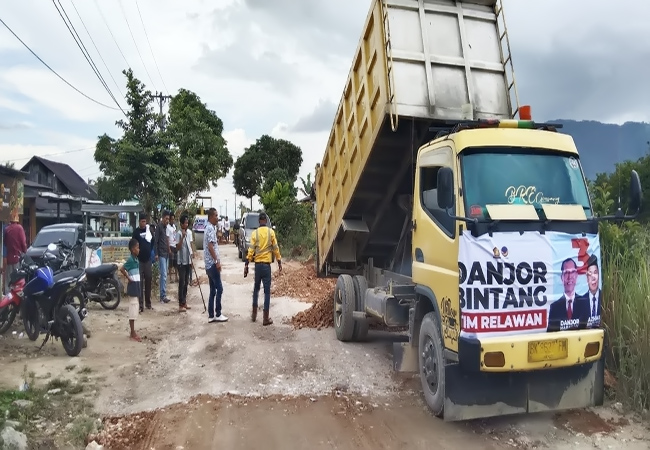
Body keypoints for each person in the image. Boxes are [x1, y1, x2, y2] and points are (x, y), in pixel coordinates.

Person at [244, 212, 282, 326]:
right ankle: (265, 318)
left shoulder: (255, 234)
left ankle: (254, 314)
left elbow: (251, 250)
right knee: (266, 292)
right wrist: (279, 261)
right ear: (266, 221)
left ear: (259, 221)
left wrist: (246, 263)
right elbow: (275, 248)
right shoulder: (271, 233)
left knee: (256, 289)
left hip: (257, 266)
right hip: (266, 266)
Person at [547, 257, 589, 331]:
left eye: (572, 272)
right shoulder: (554, 308)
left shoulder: (585, 303)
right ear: (562, 277)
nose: (569, 277)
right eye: (566, 273)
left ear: (576, 275)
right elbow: (551, 334)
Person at [205, 207, 227, 323]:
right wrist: (217, 261)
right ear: (211, 217)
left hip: (209, 265)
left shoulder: (210, 228)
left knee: (213, 290)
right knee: (220, 288)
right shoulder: (210, 229)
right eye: (216, 215)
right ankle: (218, 313)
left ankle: (211, 315)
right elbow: (210, 246)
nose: (217, 218)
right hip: (212, 264)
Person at [120, 238, 142, 342]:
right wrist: (128, 278)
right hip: (132, 286)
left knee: (135, 307)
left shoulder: (136, 260)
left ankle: (133, 331)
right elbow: (122, 269)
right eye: (137, 247)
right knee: (133, 308)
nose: (139, 249)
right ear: (133, 249)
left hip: (136, 285)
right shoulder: (130, 260)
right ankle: (132, 332)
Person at [132, 215, 154, 311]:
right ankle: (140, 305)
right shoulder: (136, 232)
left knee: (148, 281)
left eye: (145, 221)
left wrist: (150, 251)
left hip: (148, 260)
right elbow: (132, 245)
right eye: (142, 221)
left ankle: (148, 303)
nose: (144, 223)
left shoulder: (149, 231)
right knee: (140, 283)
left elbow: (152, 242)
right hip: (139, 261)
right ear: (139, 222)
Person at [175, 215, 195, 312]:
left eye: (187, 223)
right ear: (181, 224)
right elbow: (177, 247)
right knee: (181, 282)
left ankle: (184, 301)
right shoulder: (178, 234)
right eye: (185, 223)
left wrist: (192, 254)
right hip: (181, 261)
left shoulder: (190, 233)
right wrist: (182, 237)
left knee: (186, 282)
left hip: (188, 260)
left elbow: (190, 245)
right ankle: (180, 304)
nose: (186, 225)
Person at [3, 214, 26, 294]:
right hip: (18, 257)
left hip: (9, 258)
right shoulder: (19, 228)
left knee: (9, 279)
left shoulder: (6, 229)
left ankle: (8, 296)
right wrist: (25, 252)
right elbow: (23, 243)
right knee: (18, 279)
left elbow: (5, 243)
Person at [154, 211, 171, 304]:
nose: (167, 221)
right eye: (166, 219)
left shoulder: (166, 228)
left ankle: (163, 295)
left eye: (168, 219)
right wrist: (156, 254)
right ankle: (162, 296)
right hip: (161, 254)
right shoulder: (159, 227)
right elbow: (155, 241)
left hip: (166, 254)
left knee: (165, 275)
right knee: (163, 274)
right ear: (163, 218)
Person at [580, 254, 601, 327]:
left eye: (595, 273)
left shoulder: (605, 298)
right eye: (590, 274)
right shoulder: (580, 301)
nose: (593, 277)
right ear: (587, 278)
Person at [167, 213, 178, 283]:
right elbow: (167, 238)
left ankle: (176, 277)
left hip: (175, 245)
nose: (173, 220)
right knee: (170, 264)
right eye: (172, 219)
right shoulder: (167, 227)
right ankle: (170, 277)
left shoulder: (174, 226)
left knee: (176, 263)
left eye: (174, 219)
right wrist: (169, 249)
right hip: (171, 245)